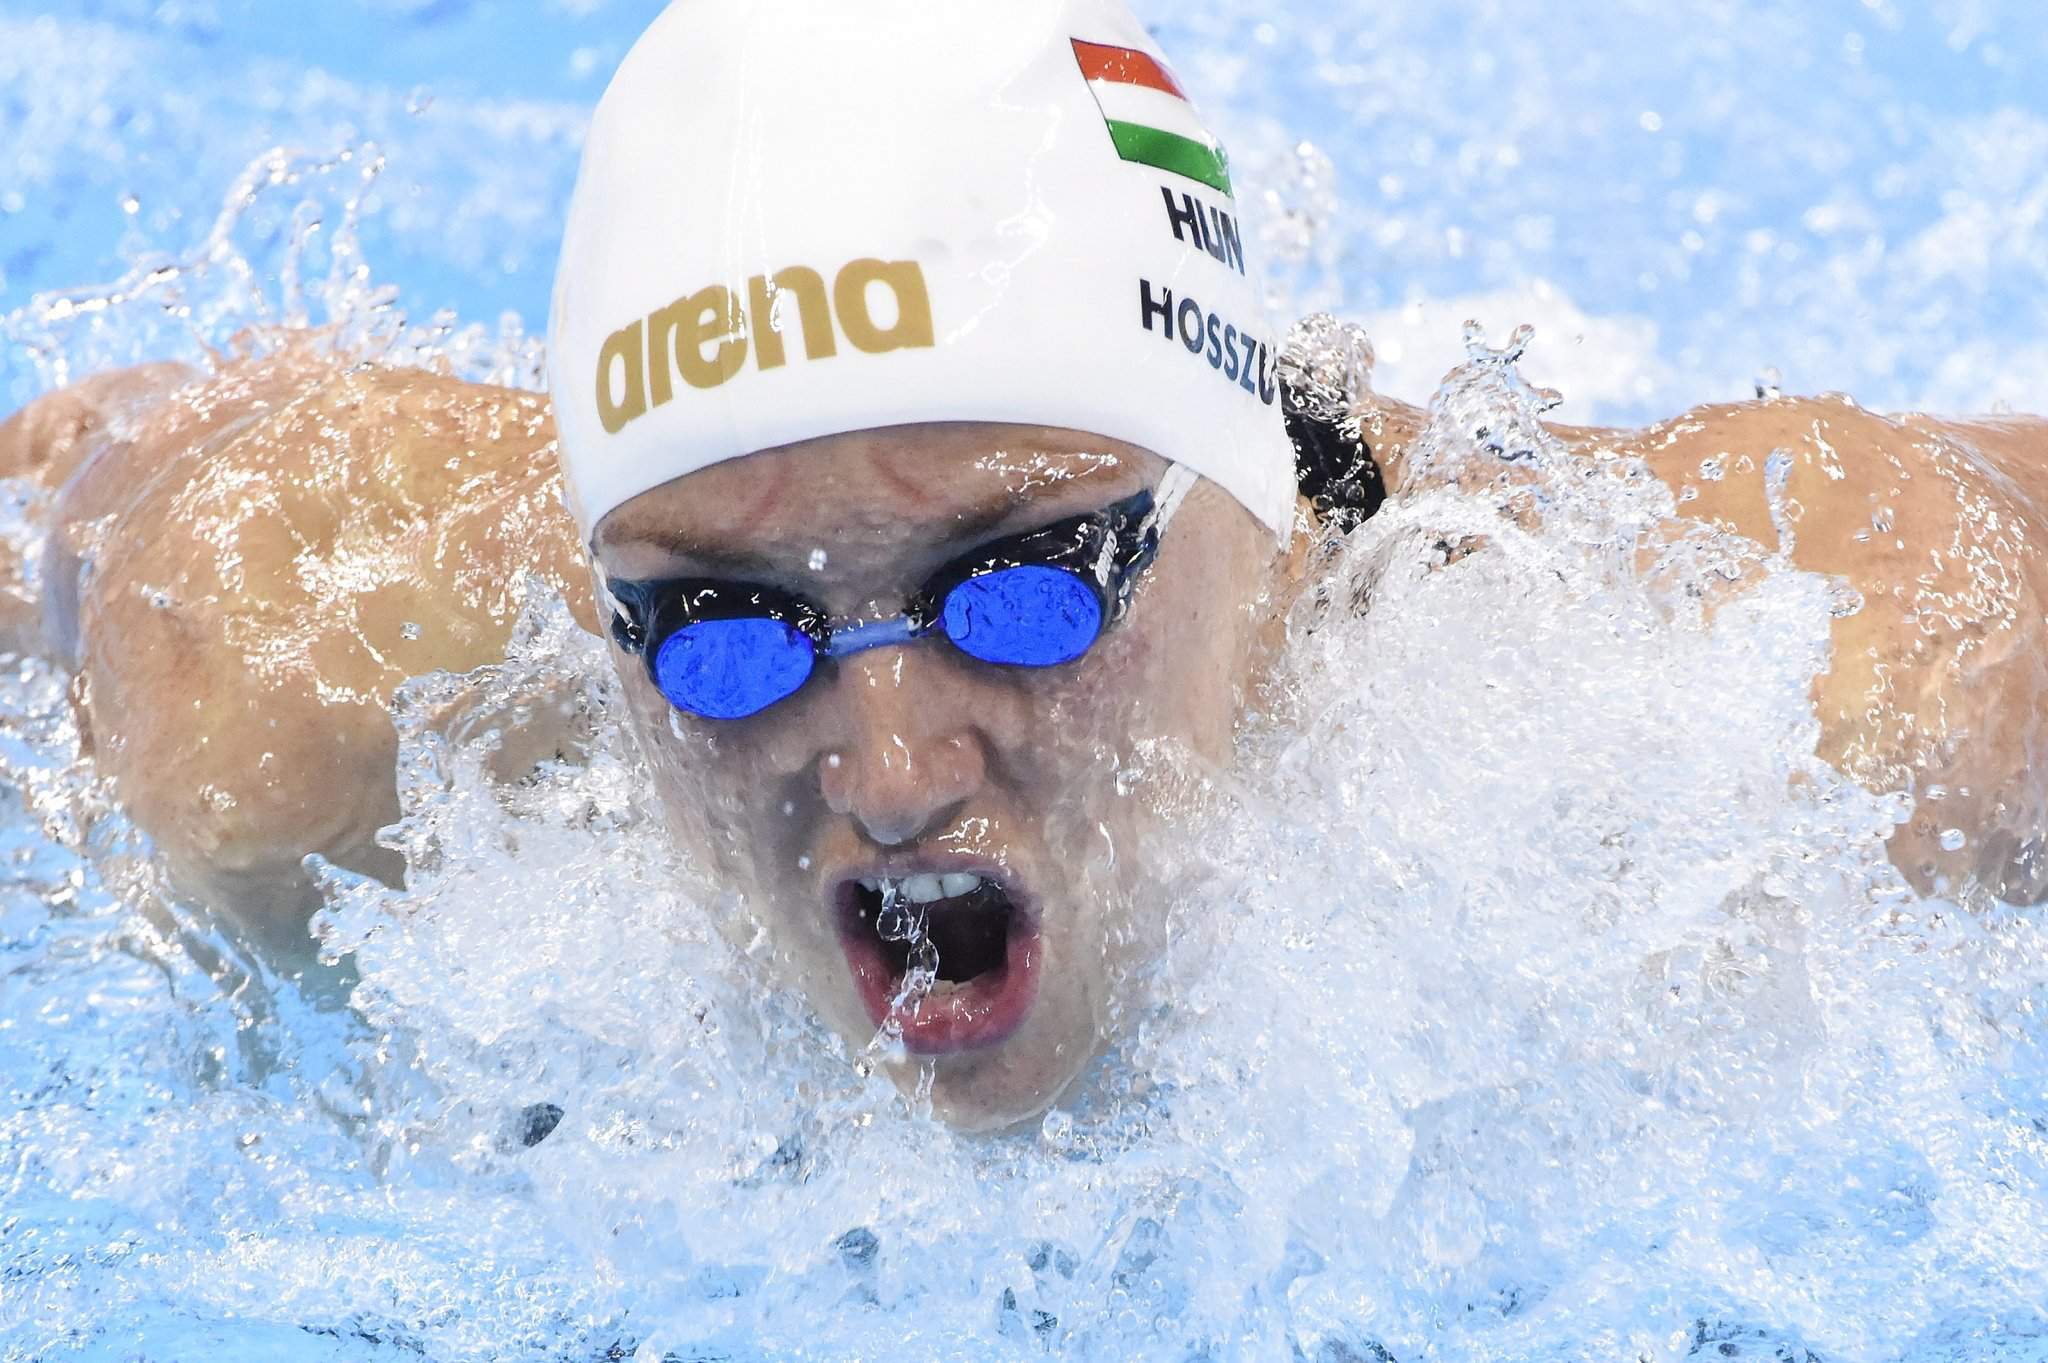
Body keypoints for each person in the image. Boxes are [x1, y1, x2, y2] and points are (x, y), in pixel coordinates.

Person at [2, 0, 2045, 1131]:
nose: (890, 768)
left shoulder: (1798, 681)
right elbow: (69, 489)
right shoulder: (288, 687)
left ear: (1259, 516)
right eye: (726, 632)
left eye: (1023, 583)